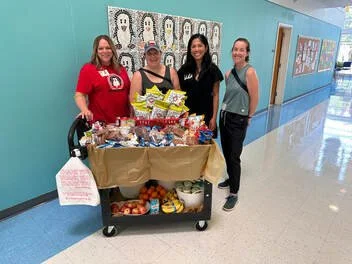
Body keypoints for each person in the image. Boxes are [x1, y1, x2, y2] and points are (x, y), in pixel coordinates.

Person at [218, 37, 259, 211]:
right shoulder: (228, 74)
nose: (237, 52)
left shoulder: (250, 72)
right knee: (227, 152)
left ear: (247, 53)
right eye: (235, 49)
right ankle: (230, 178)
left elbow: (254, 97)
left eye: (242, 50)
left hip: (238, 119)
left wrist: (249, 117)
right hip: (225, 116)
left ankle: (234, 193)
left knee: (234, 155)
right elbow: (231, 96)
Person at [75, 35, 130, 123]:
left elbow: (128, 93)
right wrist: (84, 110)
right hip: (101, 124)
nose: (105, 51)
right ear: (96, 51)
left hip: (124, 123)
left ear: (112, 50)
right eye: (101, 48)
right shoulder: (88, 69)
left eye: (108, 48)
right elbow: (79, 95)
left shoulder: (120, 68)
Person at [177, 33, 223, 137]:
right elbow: (178, 93)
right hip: (188, 118)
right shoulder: (184, 70)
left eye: (200, 45)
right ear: (190, 49)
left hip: (206, 117)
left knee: (205, 147)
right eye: (193, 46)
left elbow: (216, 95)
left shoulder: (213, 70)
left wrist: (214, 118)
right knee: (188, 147)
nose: (196, 49)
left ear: (206, 48)